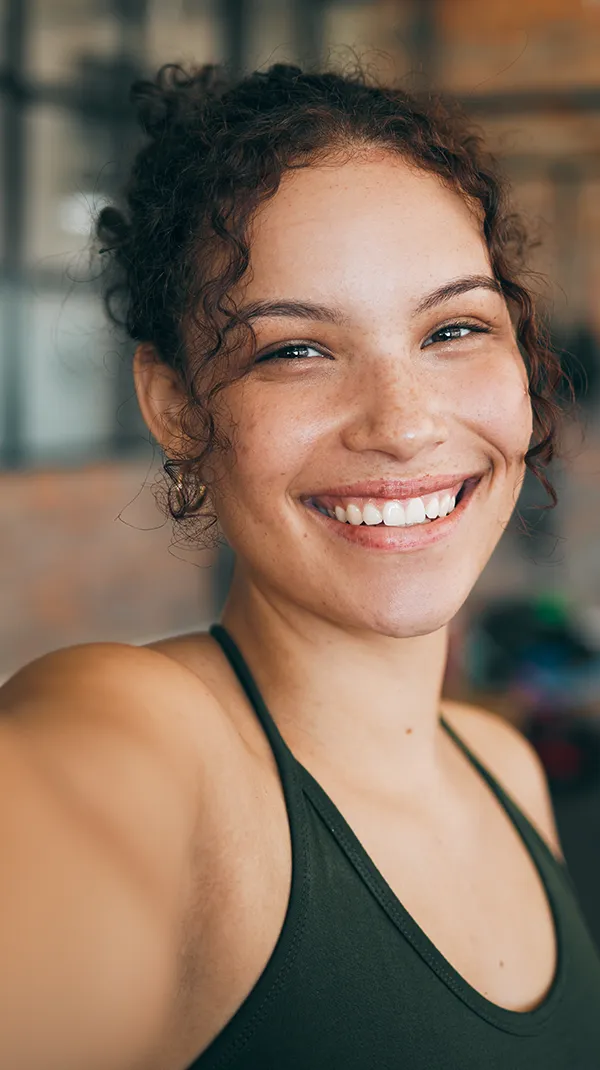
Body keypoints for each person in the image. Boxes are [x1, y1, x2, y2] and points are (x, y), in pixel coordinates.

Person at [1, 62, 599, 1070]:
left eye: (454, 328)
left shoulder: (507, 768)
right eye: (295, 350)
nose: (404, 424)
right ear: (180, 406)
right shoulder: (137, 741)